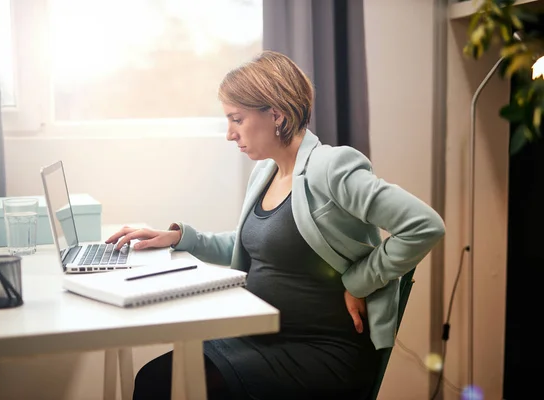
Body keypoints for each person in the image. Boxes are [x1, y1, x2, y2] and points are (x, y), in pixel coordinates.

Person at [106, 50, 446, 400]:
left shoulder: (332, 168)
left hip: (320, 351)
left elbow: (423, 225)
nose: (229, 134)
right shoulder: (266, 170)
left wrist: (358, 281)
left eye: (236, 119)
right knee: (155, 377)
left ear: (277, 115)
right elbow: (253, 245)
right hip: (260, 338)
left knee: (163, 384)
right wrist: (181, 238)